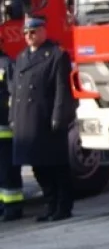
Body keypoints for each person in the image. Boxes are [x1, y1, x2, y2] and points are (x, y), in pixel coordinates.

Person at [10, 14, 76, 222]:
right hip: (27, 119)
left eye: (33, 31)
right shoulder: (22, 57)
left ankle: (63, 206)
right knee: (38, 166)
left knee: (56, 165)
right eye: (26, 33)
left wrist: (59, 116)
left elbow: (61, 89)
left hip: (46, 118)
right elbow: (16, 91)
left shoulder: (56, 54)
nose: (29, 36)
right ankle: (50, 204)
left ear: (43, 31)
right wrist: (13, 117)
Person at [0, 41, 23, 221]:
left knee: (8, 171)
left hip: (4, 130)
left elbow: (14, 94)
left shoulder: (6, 64)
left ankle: (13, 208)